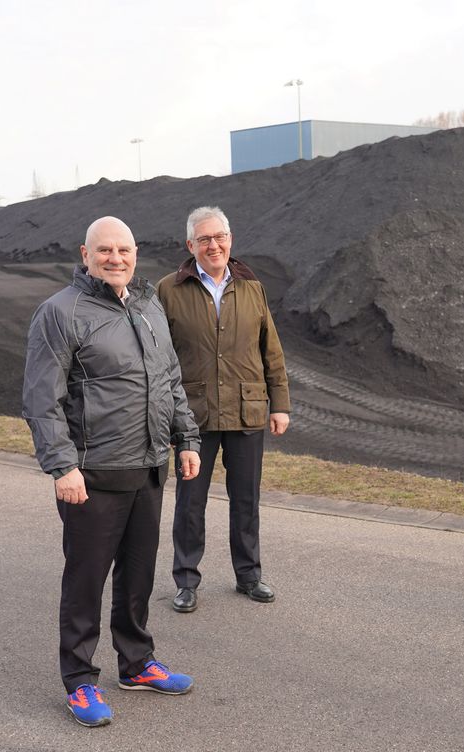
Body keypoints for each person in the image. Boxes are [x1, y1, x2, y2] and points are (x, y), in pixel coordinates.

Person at [23, 216, 201, 727]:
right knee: (86, 580)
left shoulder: (148, 306)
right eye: (105, 250)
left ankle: (137, 663)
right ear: (85, 253)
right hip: (91, 474)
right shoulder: (60, 312)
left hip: (148, 466)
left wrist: (185, 438)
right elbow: (41, 399)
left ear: (136, 253)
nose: (115, 258)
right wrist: (62, 466)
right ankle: (79, 681)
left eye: (123, 249)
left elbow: (169, 379)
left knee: (138, 575)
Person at [156, 206, 290, 614]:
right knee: (190, 502)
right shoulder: (168, 290)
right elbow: (159, 356)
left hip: (247, 411)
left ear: (230, 240)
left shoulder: (252, 288)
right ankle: (186, 580)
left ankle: (248, 576)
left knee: (246, 499)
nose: (213, 245)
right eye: (204, 239)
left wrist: (279, 403)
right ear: (190, 245)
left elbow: (271, 349)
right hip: (193, 416)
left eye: (220, 237)